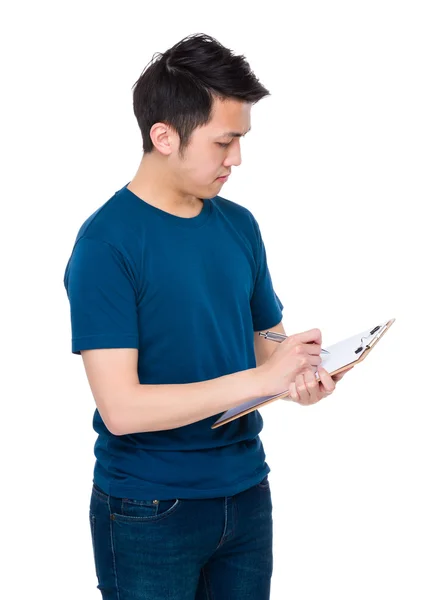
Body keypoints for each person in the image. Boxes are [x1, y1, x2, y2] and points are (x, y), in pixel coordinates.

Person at [64, 33, 350, 600]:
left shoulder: (239, 225)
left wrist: (297, 375)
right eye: (224, 142)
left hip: (246, 494)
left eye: (240, 141)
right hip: (148, 507)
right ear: (164, 136)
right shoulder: (106, 244)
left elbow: (267, 348)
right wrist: (261, 377)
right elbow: (120, 409)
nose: (236, 159)